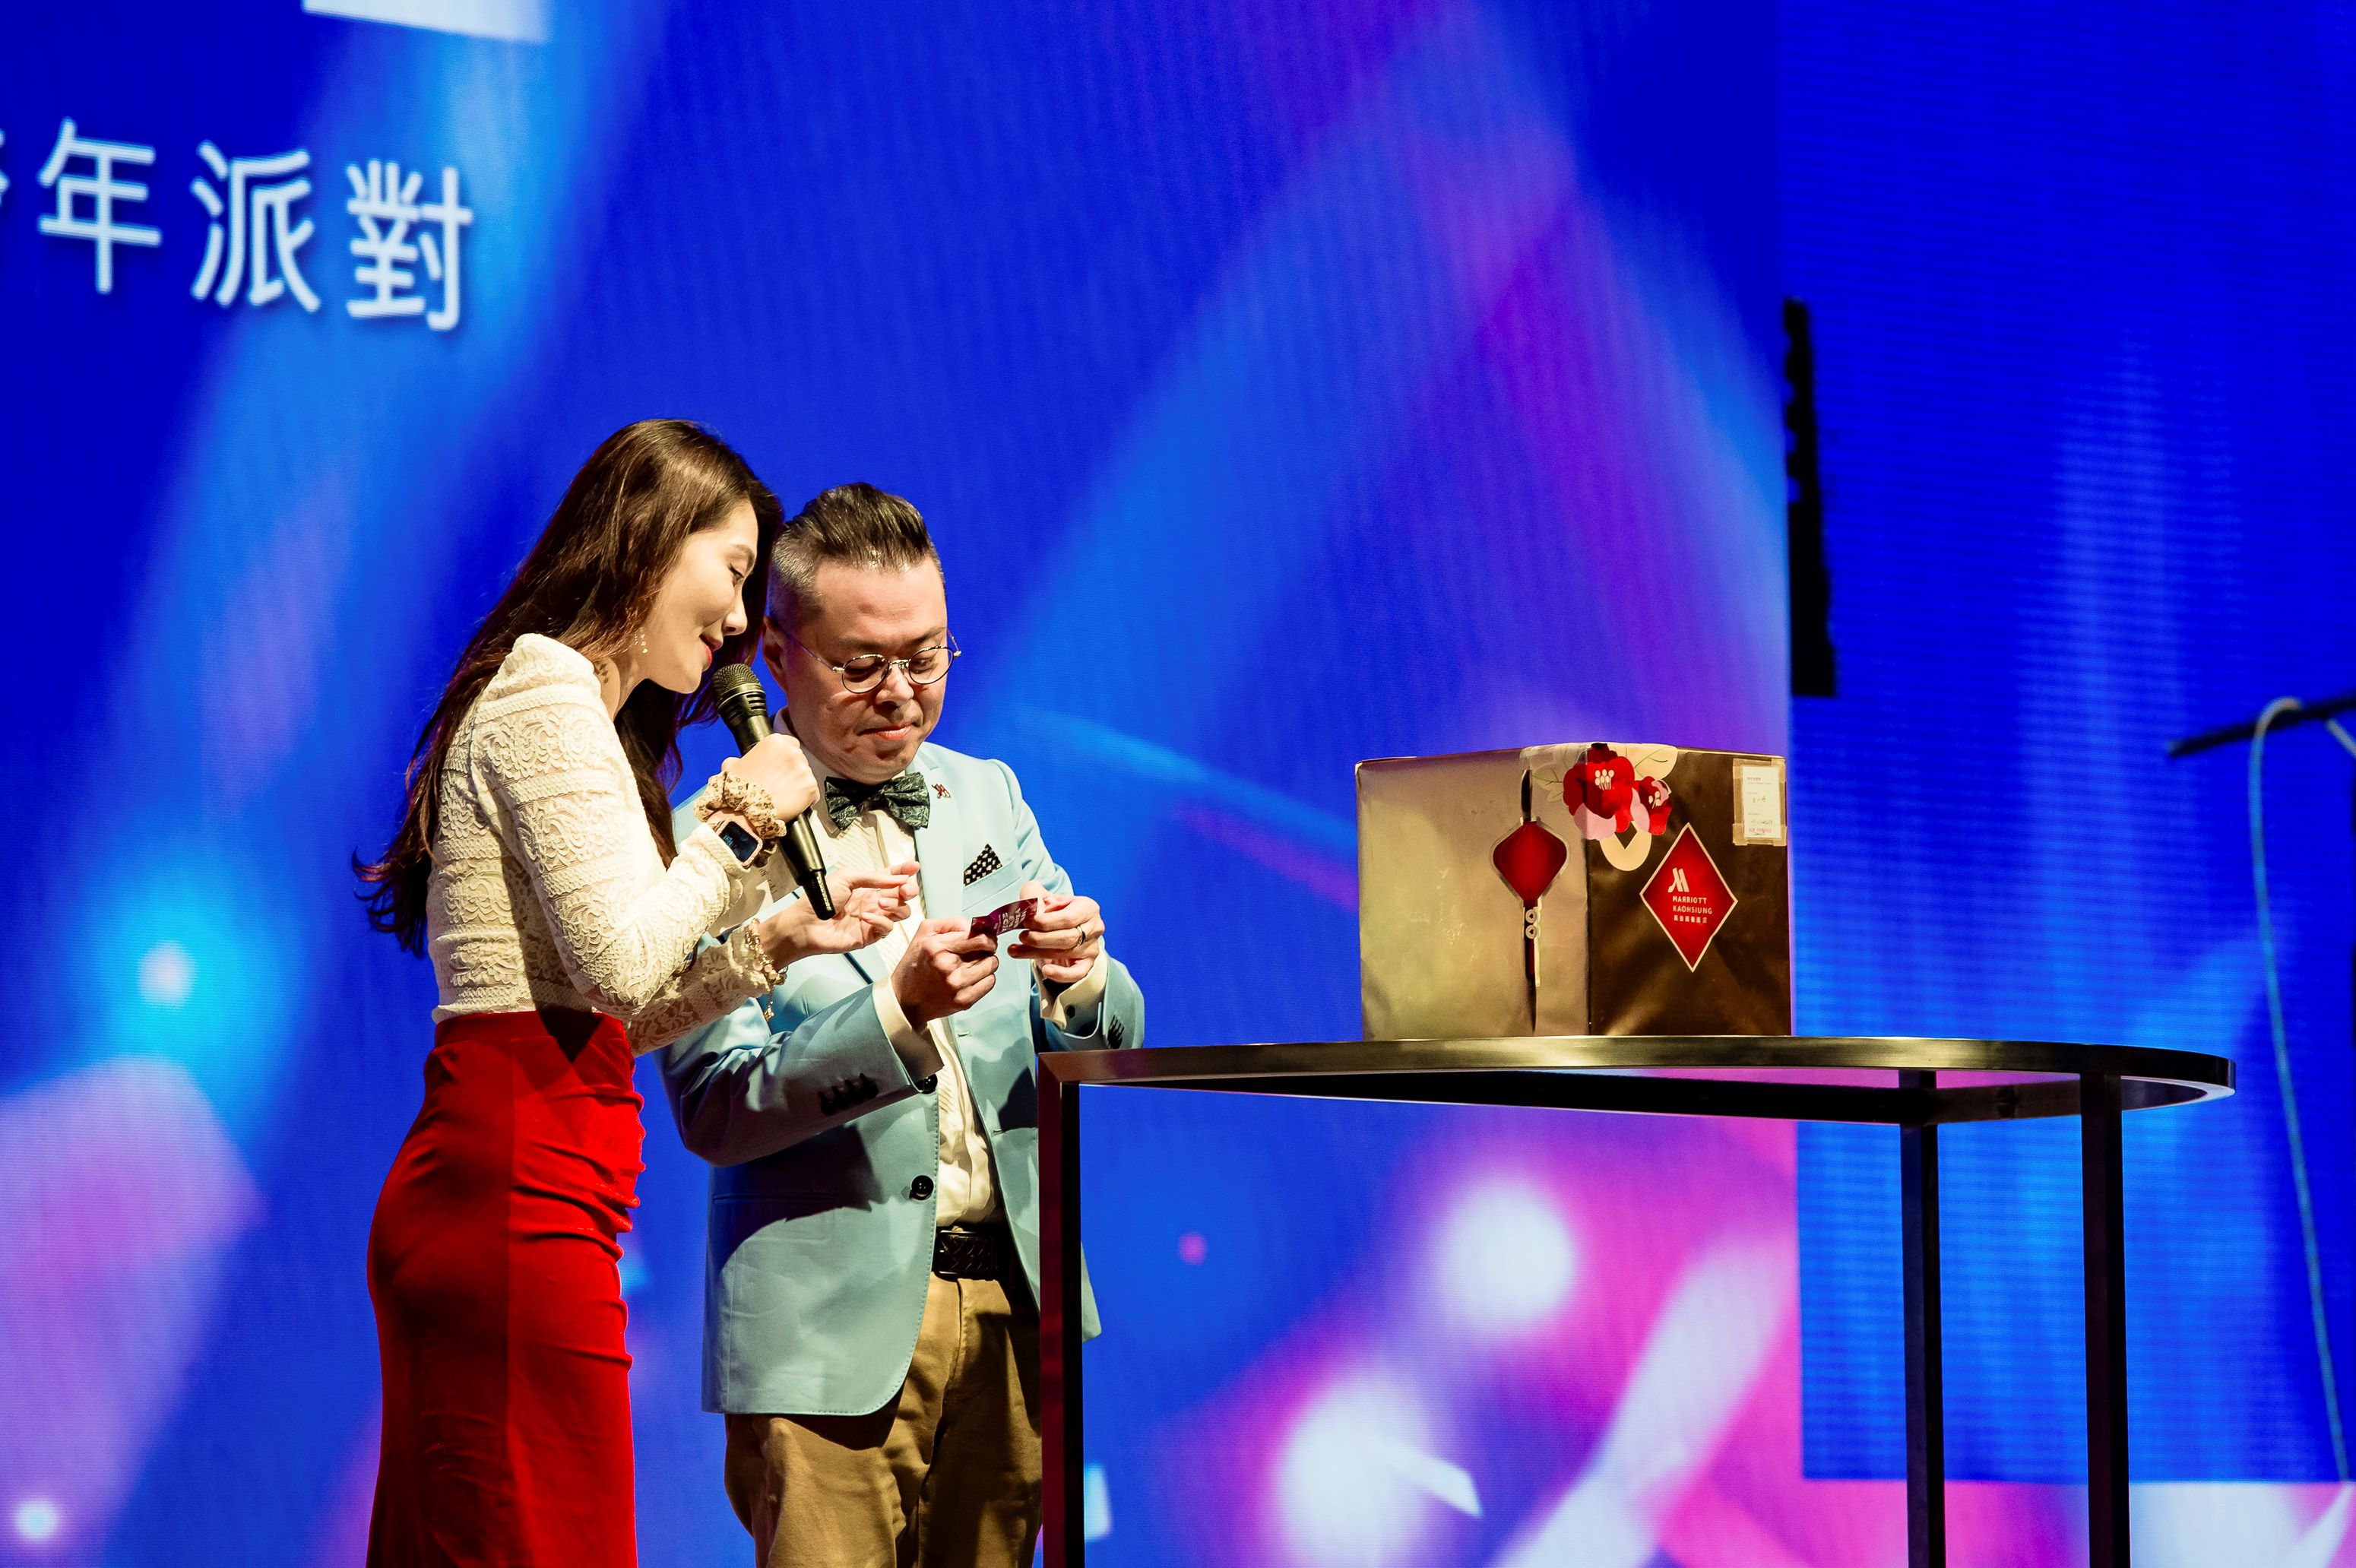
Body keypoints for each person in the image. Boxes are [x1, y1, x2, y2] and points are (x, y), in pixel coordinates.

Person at [355, 423, 910, 1568]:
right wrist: (740, 820)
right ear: (653, 539)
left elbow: (605, 1013)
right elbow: (619, 963)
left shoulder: (574, 716)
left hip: (534, 1181)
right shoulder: (546, 697)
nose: (739, 619)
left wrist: (778, 939)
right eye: (734, 569)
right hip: (514, 1194)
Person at [660, 483, 1145, 1568]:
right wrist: (895, 1014)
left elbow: (1105, 1040)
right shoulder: (711, 840)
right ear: (777, 655)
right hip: (828, 1330)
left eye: (926, 658)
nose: (901, 694)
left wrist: (1079, 980)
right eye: (860, 665)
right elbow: (715, 1106)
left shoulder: (988, 796)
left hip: (1015, 1301)